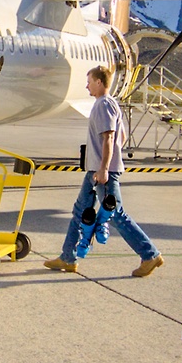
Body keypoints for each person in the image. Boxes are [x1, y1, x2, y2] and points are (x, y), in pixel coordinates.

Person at [47, 66, 166, 277]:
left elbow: (110, 138)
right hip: (95, 169)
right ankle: (68, 257)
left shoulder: (103, 105)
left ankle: (150, 255)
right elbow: (121, 138)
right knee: (79, 212)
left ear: (100, 82)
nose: (87, 85)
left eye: (90, 81)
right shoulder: (108, 105)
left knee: (116, 215)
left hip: (103, 172)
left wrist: (103, 169)